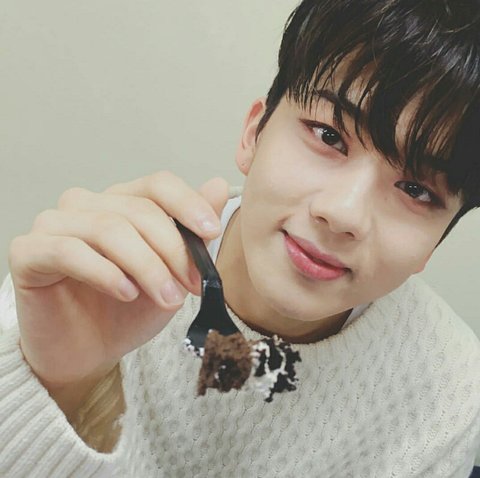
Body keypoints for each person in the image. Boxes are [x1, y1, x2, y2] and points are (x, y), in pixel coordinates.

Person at [1, 0, 480, 476]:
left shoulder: (448, 393)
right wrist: (61, 384)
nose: (342, 213)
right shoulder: (95, 271)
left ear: (436, 241)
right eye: (329, 135)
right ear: (254, 132)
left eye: (416, 190)